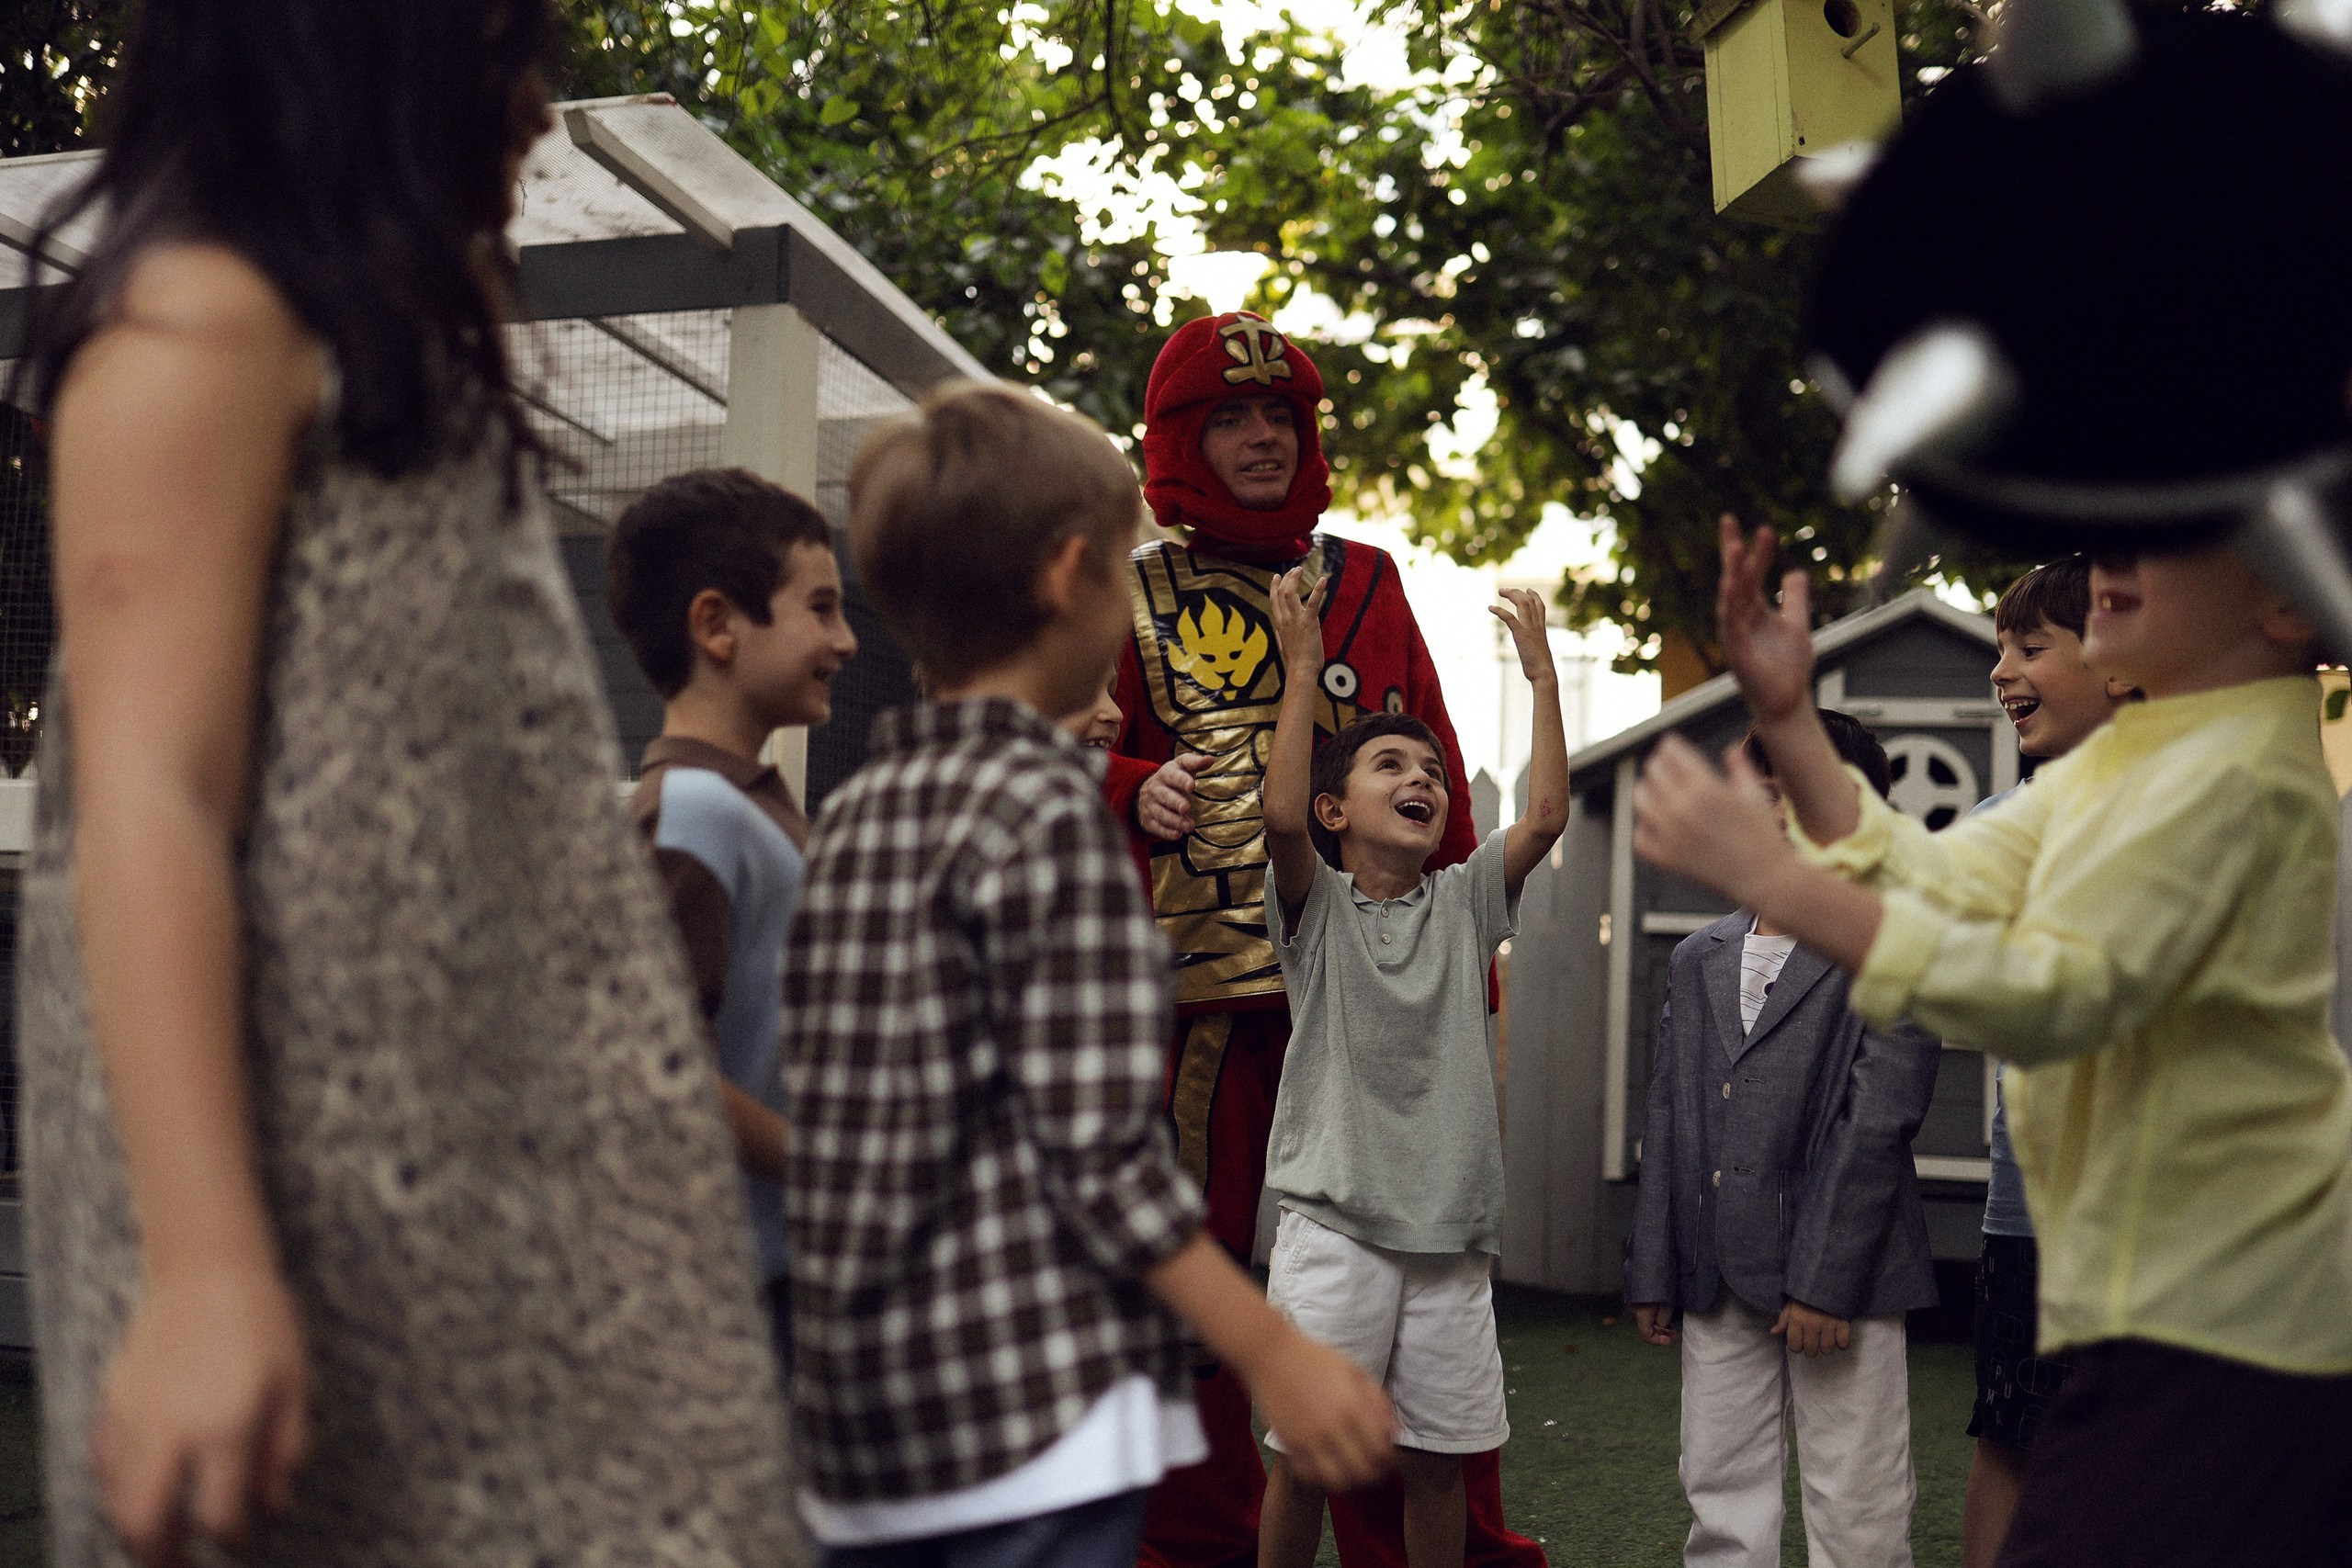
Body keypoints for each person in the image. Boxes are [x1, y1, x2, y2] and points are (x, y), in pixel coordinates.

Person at [11, 5, 798, 1565]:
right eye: (509, 58)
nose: (538, 115)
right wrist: (209, 1268)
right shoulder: (198, 323)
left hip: (494, 1209)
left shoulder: (395, 355)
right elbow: (144, 803)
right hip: (323, 1229)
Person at [1632, 516, 2352, 1566]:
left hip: (2239, 1312)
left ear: (2283, 607)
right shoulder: (2119, 769)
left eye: (2158, 537)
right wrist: (1787, 723)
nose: (2109, 559)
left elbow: (2049, 995)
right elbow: (1936, 876)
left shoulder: (2239, 780)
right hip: (2134, 1296)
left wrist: (1783, 884)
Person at [783, 382, 1396, 1568]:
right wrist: (1273, 1349)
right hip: (1028, 1410)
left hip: (858, 1406)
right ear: (1068, 579)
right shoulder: (1050, 822)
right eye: (1121, 571)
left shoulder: (856, 812)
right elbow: (1104, 1155)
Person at [1114, 312, 1543, 1568]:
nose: (1258, 437)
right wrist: (1132, 779)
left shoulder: (1368, 579)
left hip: (1371, 1007)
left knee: (1412, 1283)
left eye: (1279, 417)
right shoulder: (1128, 585)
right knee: (1196, 1291)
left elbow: (1447, 790)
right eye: (1228, 418)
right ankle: (1193, 1544)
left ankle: (1434, 1547)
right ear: (1181, 438)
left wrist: (1467, 988)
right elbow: (1066, 742)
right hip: (1195, 1012)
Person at [1251, 579, 1567, 1568]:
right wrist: (1302, 668)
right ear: (1336, 809)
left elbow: (1548, 815)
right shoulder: (1319, 909)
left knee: (1438, 1464)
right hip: (1334, 1230)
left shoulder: (1467, 902)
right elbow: (1276, 815)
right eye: (1391, 764)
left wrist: (1543, 673)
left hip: (1450, 1237)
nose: (1419, 777)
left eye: (1430, 767)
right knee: (1306, 1461)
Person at [1624, 710, 1940, 1568]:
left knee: (1859, 1496)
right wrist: (1656, 1262)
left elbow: (1880, 1118)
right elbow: (1670, 1114)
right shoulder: (1699, 956)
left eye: (1789, 795)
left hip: (1848, 1275)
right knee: (1720, 1484)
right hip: (1716, 1269)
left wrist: (1825, 1280)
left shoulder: (1885, 940)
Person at [605, 467, 858, 1371]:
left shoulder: (742, 806)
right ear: (716, 626)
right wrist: (841, 1169)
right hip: (732, 1298)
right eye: (821, 609)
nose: (847, 639)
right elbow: (654, 1074)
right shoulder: (692, 817)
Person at [1962, 556, 2131, 1568]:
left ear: (2117, 662)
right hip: (2032, 1212)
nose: (2001, 672)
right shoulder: (2001, 826)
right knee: (2010, 1435)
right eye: (1999, 651)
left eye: (2030, 648)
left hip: (2167, 1212)